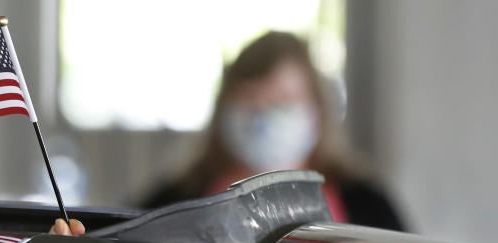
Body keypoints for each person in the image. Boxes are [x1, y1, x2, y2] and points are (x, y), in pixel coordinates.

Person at [141, 31, 405, 231]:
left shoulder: (367, 205)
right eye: (249, 98)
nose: (263, 116)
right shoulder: (170, 205)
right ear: (224, 108)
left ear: (317, 111)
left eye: (282, 101)